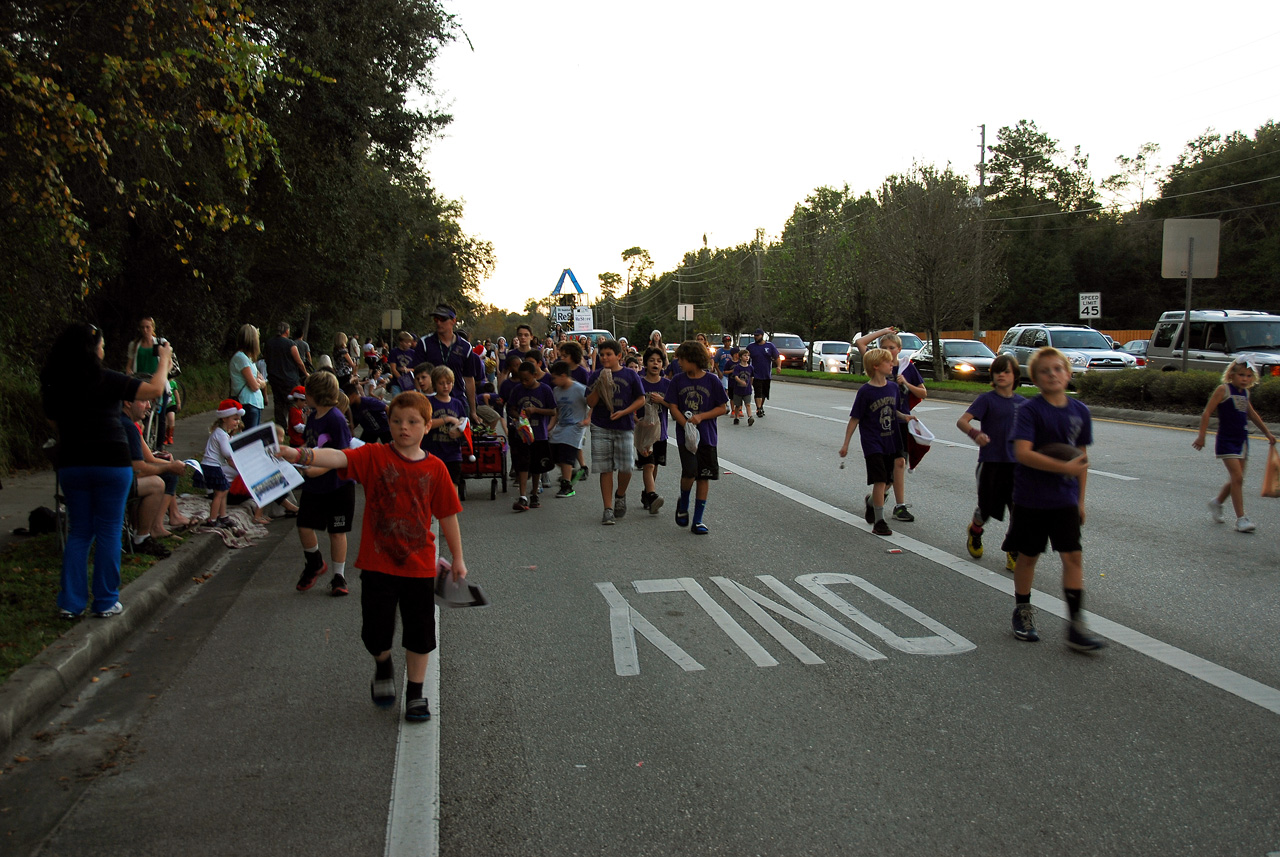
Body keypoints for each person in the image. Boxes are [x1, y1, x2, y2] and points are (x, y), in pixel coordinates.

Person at [274, 392, 464, 722]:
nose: (404, 428)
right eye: (396, 421)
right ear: (387, 423)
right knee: (375, 634)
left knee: (420, 634)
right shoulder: (374, 456)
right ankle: (383, 663)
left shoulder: (436, 469)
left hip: (419, 567)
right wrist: (295, 452)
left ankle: (416, 694)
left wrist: (458, 558)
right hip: (378, 565)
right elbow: (335, 457)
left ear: (427, 426)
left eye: (413, 422)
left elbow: (448, 515)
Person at [43, 323, 174, 619]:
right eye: (101, 345)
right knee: (108, 530)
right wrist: (164, 358)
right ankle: (104, 601)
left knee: (79, 532)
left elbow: (54, 424)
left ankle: (71, 603)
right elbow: (154, 389)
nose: (104, 350)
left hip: (73, 464)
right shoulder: (106, 379)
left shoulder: (55, 383)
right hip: (111, 463)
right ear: (93, 350)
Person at [1006, 347, 1105, 652]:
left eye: (1057, 369)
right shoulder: (1030, 411)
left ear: (1068, 373)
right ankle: (1022, 610)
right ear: (1035, 379)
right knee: (1028, 556)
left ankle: (1075, 624)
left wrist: (1080, 501)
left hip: (1064, 499)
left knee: (1073, 556)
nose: (1052, 374)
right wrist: (1063, 467)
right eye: (1045, 371)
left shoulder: (1080, 411)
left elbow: (1082, 459)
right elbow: (1023, 453)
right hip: (1031, 498)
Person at [956, 354, 1026, 568]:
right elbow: (962, 421)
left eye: (1006, 372)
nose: (1002, 375)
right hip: (991, 462)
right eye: (998, 372)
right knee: (985, 508)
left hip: (1016, 466)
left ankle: (1013, 549)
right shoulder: (987, 400)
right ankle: (975, 530)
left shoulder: (1023, 404)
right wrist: (975, 434)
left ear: (1015, 376)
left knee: (1019, 508)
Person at [1193, 356, 1278, 532]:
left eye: (1248, 376)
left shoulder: (1245, 393)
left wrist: (1267, 433)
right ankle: (1241, 519)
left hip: (1242, 441)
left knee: (1236, 479)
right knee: (1237, 478)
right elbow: (1207, 412)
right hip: (1226, 440)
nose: (1245, 379)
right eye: (1241, 375)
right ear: (1232, 374)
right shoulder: (1223, 390)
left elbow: (1252, 414)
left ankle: (1217, 502)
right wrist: (1202, 436)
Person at [837, 348, 915, 537]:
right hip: (873, 442)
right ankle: (879, 521)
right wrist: (845, 444)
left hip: (891, 439)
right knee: (880, 480)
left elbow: (892, 411)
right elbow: (855, 418)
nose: (892, 365)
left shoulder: (893, 388)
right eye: (888, 362)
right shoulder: (865, 391)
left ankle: (872, 502)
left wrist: (906, 417)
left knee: (889, 479)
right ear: (876, 366)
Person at [853, 327, 927, 523]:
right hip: (880, 424)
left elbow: (922, 393)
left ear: (899, 348)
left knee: (900, 463)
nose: (888, 350)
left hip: (901, 421)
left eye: (892, 347)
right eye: (884, 347)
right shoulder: (877, 363)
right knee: (884, 473)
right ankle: (875, 499)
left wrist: (906, 384)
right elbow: (860, 343)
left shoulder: (906, 367)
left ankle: (899, 506)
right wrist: (883, 331)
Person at [294, 370, 355, 597]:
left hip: (338, 485)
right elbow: (310, 448)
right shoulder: (312, 417)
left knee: (337, 531)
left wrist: (316, 469)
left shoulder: (336, 418)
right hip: (314, 485)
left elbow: (343, 454)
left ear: (314, 395)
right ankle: (315, 562)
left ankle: (339, 575)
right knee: (304, 524)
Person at [662, 341, 730, 534]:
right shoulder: (678, 380)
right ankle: (683, 502)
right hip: (687, 438)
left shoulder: (712, 381)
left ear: (693, 359)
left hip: (707, 437)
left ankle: (698, 520)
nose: (679, 362)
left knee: (703, 476)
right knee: (690, 472)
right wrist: (684, 423)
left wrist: (701, 416)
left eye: (681, 359)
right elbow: (672, 405)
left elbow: (723, 407)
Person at [586, 340, 646, 525]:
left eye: (609, 354)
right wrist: (600, 383)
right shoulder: (595, 375)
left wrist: (625, 411)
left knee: (626, 466)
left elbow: (641, 399)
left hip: (624, 426)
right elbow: (591, 403)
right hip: (601, 426)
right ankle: (608, 509)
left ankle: (620, 494)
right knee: (606, 468)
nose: (604, 358)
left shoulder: (630, 375)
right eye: (602, 354)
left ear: (619, 356)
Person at [122, 397, 186, 553]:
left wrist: (170, 465)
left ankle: (146, 528)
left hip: (92, 479)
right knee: (157, 484)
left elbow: (146, 459)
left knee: (164, 474)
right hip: (109, 483)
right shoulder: (127, 426)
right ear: (128, 402)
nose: (149, 406)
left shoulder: (124, 422)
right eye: (144, 401)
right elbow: (139, 469)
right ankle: (142, 538)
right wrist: (169, 467)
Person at [414, 304, 480, 424]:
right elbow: (417, 374)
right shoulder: (425, 343)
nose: (439, 323)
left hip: (458, 400)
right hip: (431, 402)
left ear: (453, 321)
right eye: (436, 319)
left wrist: (473, 411)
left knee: (459, 439)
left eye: (443, 319)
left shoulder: (465, 347)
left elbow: (469, 379)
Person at [506, 361, 556, 511]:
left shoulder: (545, 390)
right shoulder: (517, 390)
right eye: (521, 379)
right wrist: (519, 416)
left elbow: (553, 411)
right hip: (522, 434)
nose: (524, 382)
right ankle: (522, 496)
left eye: (527, 379)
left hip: (539, 434)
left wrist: (535, 410)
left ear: (535, 375)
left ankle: (534, 493)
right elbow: (510, 408)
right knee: (523, 464)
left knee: (536, 466)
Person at [126, 317, 178, 445]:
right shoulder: (134, 345)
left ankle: (159, 446)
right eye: (142, 327)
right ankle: (141, 443)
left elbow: (169, 363)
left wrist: (162, 375)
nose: (145, 330)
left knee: (160, 416)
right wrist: (129, 374)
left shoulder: (160, 343)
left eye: (148, 327)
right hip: (141, 382)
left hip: (158, 383)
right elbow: (129, 364)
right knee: (141, 415)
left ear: (153, 328)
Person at [547, 360, 590, 498]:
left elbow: (594, 403)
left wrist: (588, 419)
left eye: (555, 378)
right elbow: (556, 411)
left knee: (565, 454)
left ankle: (567, 486)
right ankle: (569, 472)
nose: (553, 381)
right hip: (561, 426)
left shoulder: (580, 389)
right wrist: (550, 427)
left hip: (575, 427)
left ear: (564, 375)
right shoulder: (556, 391)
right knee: (553, 456)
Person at [424, 366, 469, 497]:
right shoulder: (428, 403)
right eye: (441, 383)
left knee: (452, 485)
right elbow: (425, 424)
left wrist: (459, 432)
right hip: (433, 451)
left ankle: (451, 514)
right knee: (433, 485)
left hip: (453, 452)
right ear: (434, 384)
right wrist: (447, 419)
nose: (445, 386)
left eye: (448, 383)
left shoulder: (457, 403)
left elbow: (464, 425)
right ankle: (433, 514)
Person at [637, 346, 670, 514]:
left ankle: (647, 493)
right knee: (648, 465)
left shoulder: (666, 384)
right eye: (651, 361)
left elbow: (673, 405)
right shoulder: (640, 382)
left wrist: (662, 400)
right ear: (646, 364)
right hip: (643, 432)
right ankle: (652, 495)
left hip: (661, 432)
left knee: (654, 464)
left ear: (662, 364)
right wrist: (638, 421)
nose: (655, 364)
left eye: (658, 361)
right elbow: (632, 406)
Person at [201, 399, 244, 528]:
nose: (237, 422)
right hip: (211, 466)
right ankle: (213, 519)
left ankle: (223, 516)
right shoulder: (221, 434)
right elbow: (226, 452)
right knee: (220, 493)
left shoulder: (223, 434)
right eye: (235, 419)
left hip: (214, 465)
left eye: (238, 419)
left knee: (224, 490)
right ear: (225, 419)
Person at [264, 322, 308, 428]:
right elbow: (299, 362)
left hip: (274, 379)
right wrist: (306, 373)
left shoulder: (269, 343)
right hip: (289, 380)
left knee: (278, 405)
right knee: (293, 404)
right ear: (287, 331)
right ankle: (295, 425)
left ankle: (280, 427)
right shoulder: (290, 344)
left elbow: (266, 359)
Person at [230, 324, 266, 428]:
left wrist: (260, 382)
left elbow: (260, 379)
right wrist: (260, 382)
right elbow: (254, 385)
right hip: (248, 403)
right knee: (250, 439)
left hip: (255, 403)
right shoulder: (241, 358)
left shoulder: (248, 359)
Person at [745, 328, 780, 418]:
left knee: (764, 393)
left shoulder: (770, 346)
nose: (755, 337)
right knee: (758, 391)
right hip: (755, 373)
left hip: (766, 373)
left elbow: (776, 357)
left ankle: (760, 406)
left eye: (757, 335)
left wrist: (778, 366)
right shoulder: (751, 347)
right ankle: (759, 408)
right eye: (754, 336)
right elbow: (745, 358)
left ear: (762, 335)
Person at [729, 348, 754, 425]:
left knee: (748, 404)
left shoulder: (750, 367)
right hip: (738, 390)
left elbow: (752, 377)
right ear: (740, 357)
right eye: (745, 355)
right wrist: (740, 381)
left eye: (748, 356)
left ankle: (750, 417)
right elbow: (736, 376)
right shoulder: (737, 367)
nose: (747, 357)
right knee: (738, 405)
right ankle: (736, 417)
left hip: (747, 390)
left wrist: (750, 385)